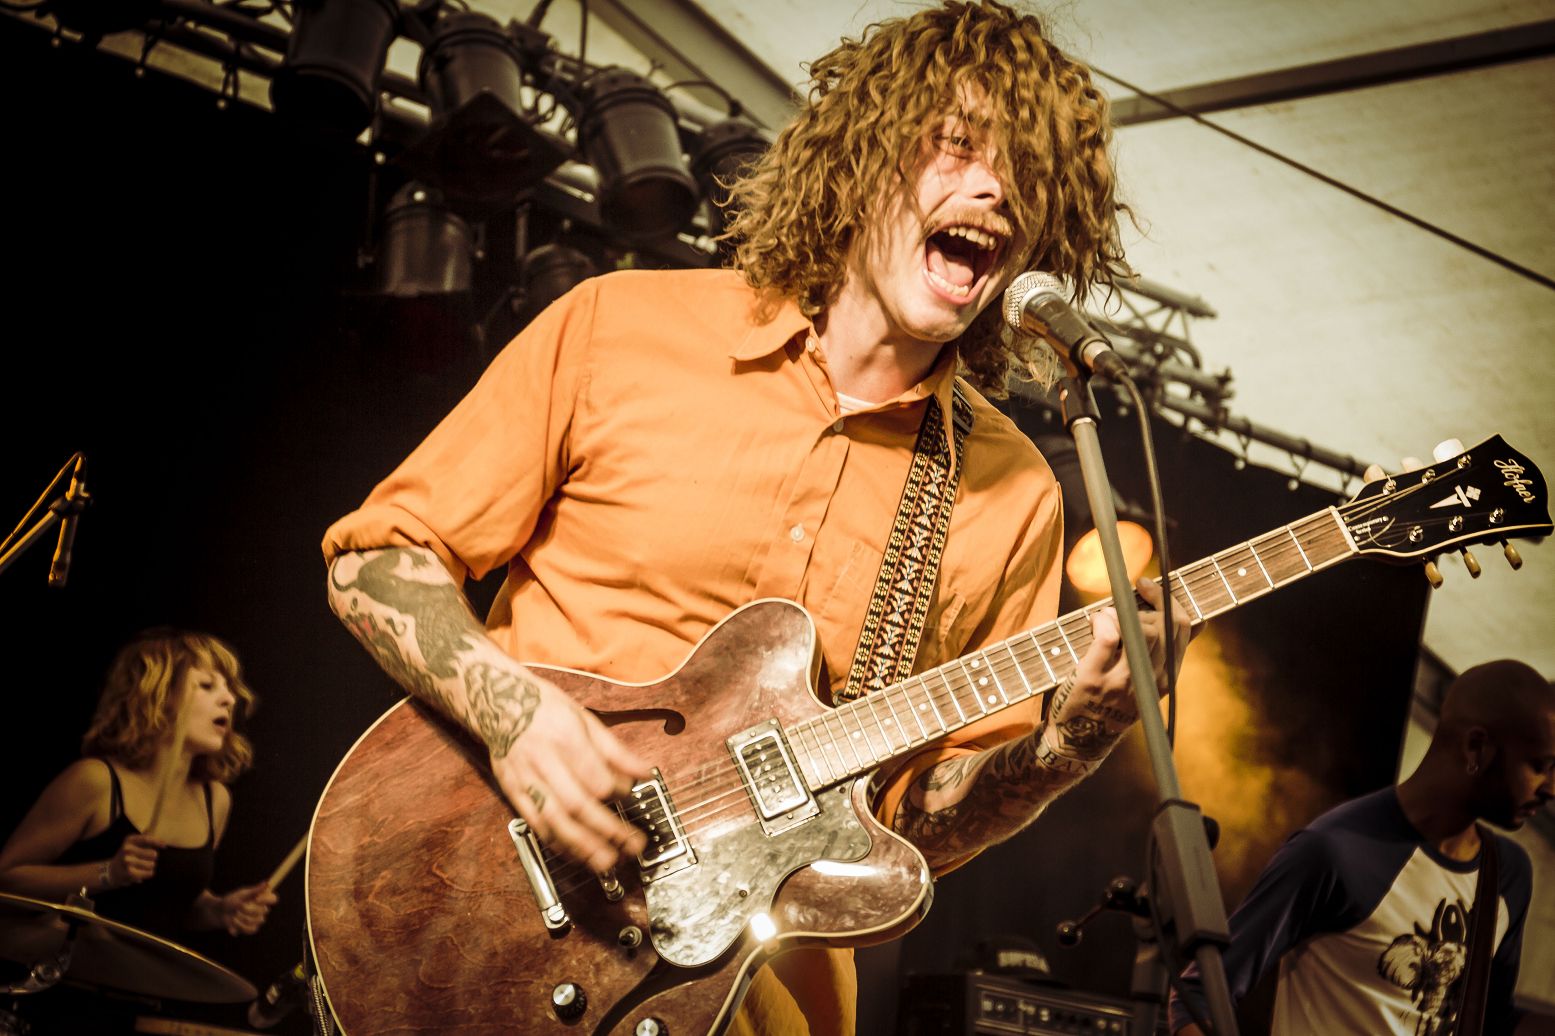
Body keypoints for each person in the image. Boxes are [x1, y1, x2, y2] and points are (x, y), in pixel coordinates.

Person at [322, 3, 1189, 1033]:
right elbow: (375, 561)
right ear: (862, 158)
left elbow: (917, 822)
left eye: (1026, 175)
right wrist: (515, 716)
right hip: (480, 916)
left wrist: (1071, 740)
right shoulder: (619, 325)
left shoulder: (1011, 489)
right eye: (958, 145)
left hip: (749, 996)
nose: (995, 187)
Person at [1170, 659, 1552, 1036]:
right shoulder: (1336, 852)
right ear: (1476, 747)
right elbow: (1196, 997)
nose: (1551, 788)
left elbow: (1493, 1021)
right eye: (1540, 766)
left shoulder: (1509, 874)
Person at [0, 629, 277, 939]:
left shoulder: (215, 800)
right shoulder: (96, 781)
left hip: (136, 971)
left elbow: (171, 903)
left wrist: (218, 910)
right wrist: (109, 872)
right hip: (66, 964)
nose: (229, 699)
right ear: (158, 695)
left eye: (228, 688)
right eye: (207, 685)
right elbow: (6, 878)